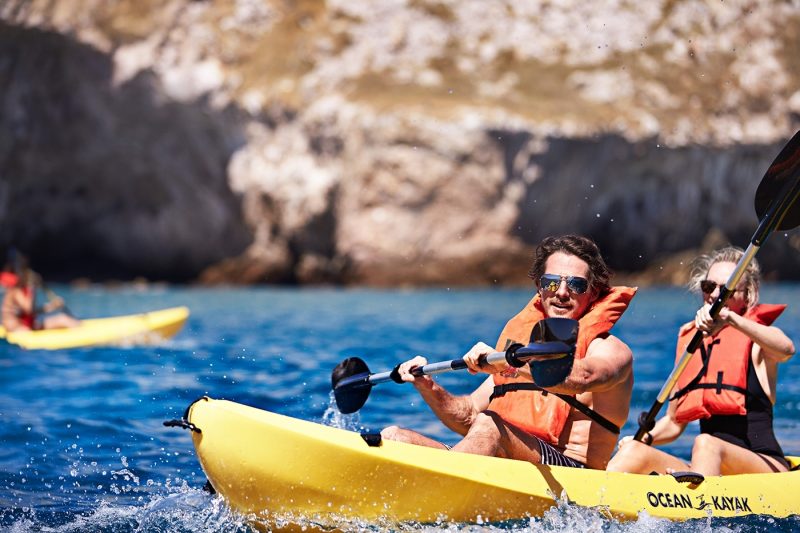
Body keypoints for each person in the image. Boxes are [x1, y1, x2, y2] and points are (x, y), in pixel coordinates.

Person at [381, 235, 637, 470]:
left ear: (593, 292)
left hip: (572, 473)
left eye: (577, 285)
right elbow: (469, 415)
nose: (561, 293)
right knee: (394, 438)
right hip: (509, 462)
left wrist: (507, 364)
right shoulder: (520, 349)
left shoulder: (610, 350)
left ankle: (440, 492)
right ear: (539, 287)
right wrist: (428, 386)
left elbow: (584, 377)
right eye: (550, 283)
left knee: (490, 424)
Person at [607, 246, 795, 476]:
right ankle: (590, 503)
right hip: (711, 468)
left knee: (706, 443)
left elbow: (786, 349)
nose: (716, 295)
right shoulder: (691, 342)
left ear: (748, 294)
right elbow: (674, 423)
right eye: (709, 287)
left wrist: (731, 319)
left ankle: (699, 510)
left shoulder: (757, 340)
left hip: (766, 467)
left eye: (727, 289)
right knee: (634, 451)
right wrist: (646, 438)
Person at [1, 266, 79, 332]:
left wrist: (53, 306)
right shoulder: (16, 291)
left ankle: (80, 330)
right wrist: (31, 289)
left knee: (63, 319)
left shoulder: (23, 291)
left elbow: (33, 312)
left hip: (29, 325)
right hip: (15, 327)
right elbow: (28, 310)